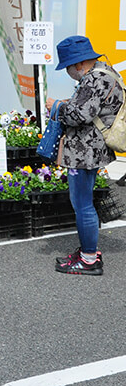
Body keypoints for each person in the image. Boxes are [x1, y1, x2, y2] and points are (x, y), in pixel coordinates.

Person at [47, 35, 122, 276]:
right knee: (84, 201)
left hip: (85, 151)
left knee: (82, 203)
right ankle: (87, 252)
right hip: (93, 148)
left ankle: (88, 258)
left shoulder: (94, 79)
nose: (68, 72)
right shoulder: (106, 72)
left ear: (79, 64)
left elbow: (78, 116)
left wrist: (56, 106)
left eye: (68, 67)